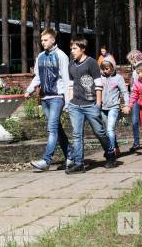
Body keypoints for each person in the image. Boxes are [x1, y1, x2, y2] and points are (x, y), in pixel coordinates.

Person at [65, 37, 117, 174]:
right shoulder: (71, 64)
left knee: (99, 132)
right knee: (77, 134)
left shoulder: (92, 63)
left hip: (91, 105)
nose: (72, 51)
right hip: (75, 105)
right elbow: (71, 85)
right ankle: (79, 163)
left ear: (83, 49)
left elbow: (98, 85)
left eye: (75, 48)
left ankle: (110, 153)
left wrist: (97, 105)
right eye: (71, 48)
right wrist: (69, 103)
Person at [25, 28, 71, 171]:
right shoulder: (40, 57)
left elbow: (66, 78)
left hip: (57, 97)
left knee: (52, 129)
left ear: (53, 40)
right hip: (45, 97)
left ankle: (46, 161)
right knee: (57, 128)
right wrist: (29, 89)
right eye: (42, 40)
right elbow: (38, 76)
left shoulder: (61, 56)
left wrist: (67, 101)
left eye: (45, 40)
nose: (42, 42)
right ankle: (71, 156)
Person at [100, 56, 130, 156]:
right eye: (103, 69)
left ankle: (111, 150)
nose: (105, 71)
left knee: (110, 129)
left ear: (112, 67)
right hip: (103, 108)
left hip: (114, 107)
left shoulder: (118, 78)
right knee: (108, 130)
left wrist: (126, 104)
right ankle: (116, 147)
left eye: (107, 68)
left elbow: (125, 92)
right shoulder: (100, 78)